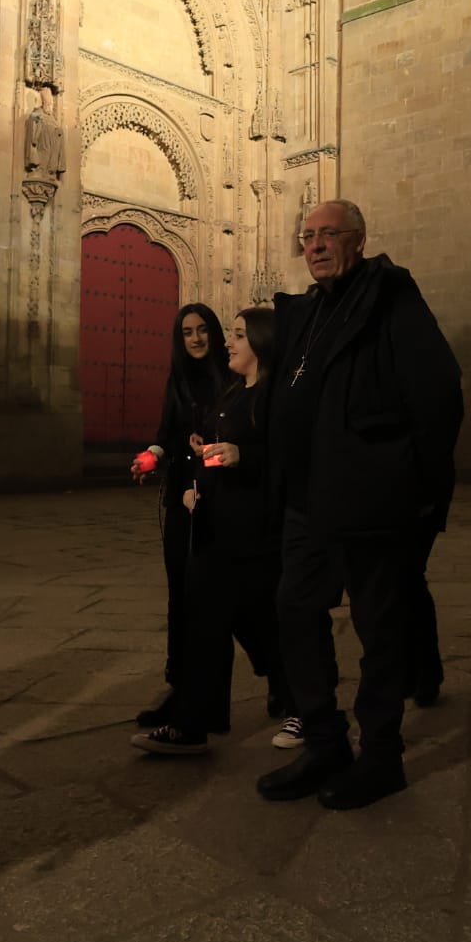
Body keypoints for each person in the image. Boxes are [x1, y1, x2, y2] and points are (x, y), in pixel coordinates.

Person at [258, 200, 463, 811]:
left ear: (360, 238)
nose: (315, 246)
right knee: (295, 610)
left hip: (373, 498)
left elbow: (438, 394)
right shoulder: (305, 312)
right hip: (305, 498)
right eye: (308, 237)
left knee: (380, 628)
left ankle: (381, 755)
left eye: (328, 235)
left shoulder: (390, 297)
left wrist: (419, 487)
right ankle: (324, 742)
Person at [133, 307, 289, 755]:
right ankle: (194, 714)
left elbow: (279, 456)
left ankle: (292, 689)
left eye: (232, 334)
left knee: (239, 615)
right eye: (189, 332)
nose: (217, 342)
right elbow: (192, 436)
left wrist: (239, 457)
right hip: (208, 509)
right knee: (201, 611)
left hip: (245, 526)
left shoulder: (263, 394)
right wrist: (182, 465)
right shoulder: (230, 391)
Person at [129, 304, 232, 726]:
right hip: (179, 498)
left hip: (215, 497)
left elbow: (235, 433)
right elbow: (167, 434)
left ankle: (229, 694)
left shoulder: (230, 377)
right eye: (187, 331)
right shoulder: (177, 378)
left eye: (203, 330)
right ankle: (179, 685)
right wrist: (153, 457)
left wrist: (205, 447)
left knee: (213, 602)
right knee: (179, 596)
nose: (195, 338)